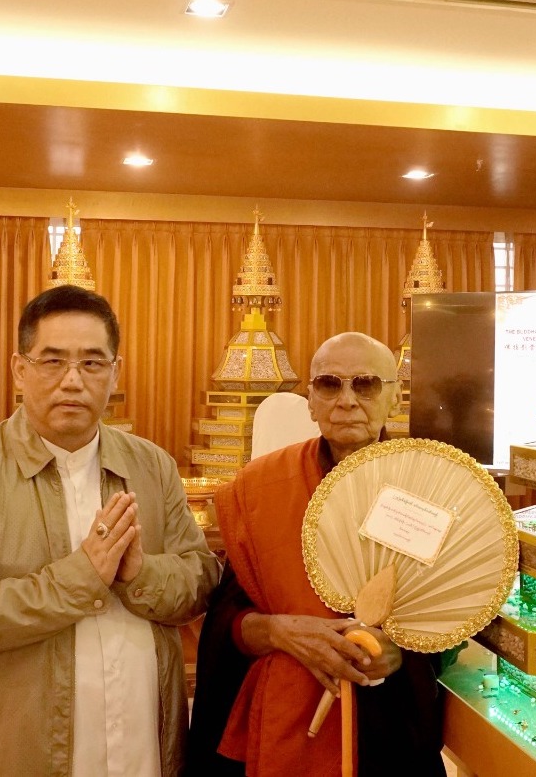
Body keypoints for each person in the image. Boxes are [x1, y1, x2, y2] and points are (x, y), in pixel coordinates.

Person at [0, 285, 221, 776]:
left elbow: (200, 580)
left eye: (92, 363)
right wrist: (80, 578)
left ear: (116, 372)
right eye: (52, 362)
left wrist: (139, 573)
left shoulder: (151, 466)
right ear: (19, 370)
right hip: (22, 749)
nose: (72, 381)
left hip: (143, 743)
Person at [188, 332, 448, 776]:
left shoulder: (428, 488)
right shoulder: (264, 485)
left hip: (385, 722)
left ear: (395, 398)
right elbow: (227, 620)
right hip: (284, 716)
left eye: (364, 384)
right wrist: (278, 631)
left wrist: (403, 653)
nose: (346, 400)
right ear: (310, 400)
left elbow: (451, 619)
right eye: (329, 384)